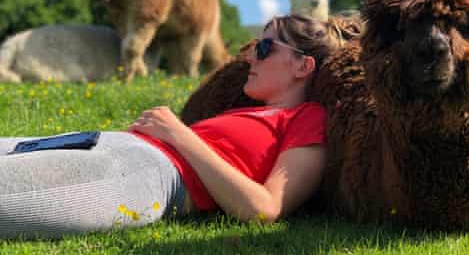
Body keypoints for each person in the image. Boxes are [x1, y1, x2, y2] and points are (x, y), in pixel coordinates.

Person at [0, 14, 352, 240]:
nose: (248, 57)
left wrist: (179, 134)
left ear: (302, 67)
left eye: (263, 48)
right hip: (110, 145)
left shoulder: (307, 118)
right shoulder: (250, 113)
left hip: (145, 173)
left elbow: (265, 209)